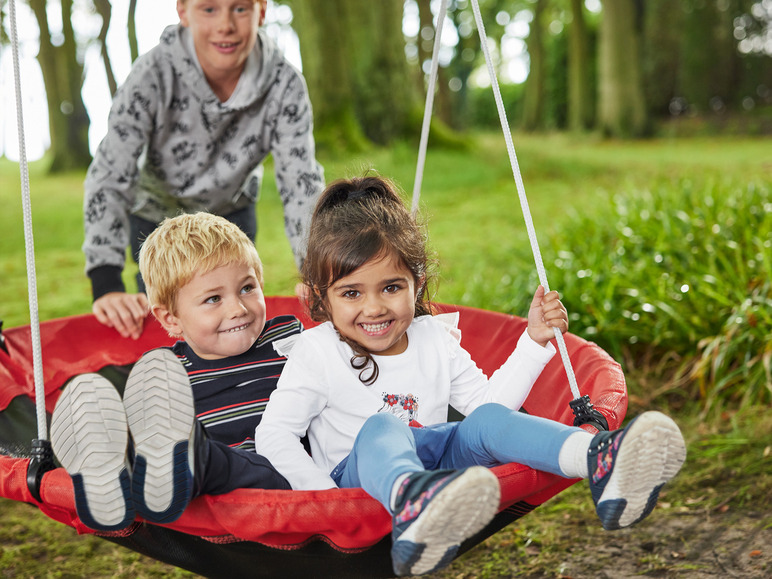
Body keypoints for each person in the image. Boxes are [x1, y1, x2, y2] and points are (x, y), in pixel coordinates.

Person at [255, 175, 687, 577]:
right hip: (361, 484)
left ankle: (599, 459)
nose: (374, 308)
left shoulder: (434, 339)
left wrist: (534, 342)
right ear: (321, 299)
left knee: (482, 422)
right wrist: (320, 499)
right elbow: (274, 434)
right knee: (385, 425)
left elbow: (488, 407)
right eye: (351, 293)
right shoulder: (318, 351)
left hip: (439, 470)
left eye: (391, 287)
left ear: (417, 284)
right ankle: (414, 502)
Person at [83, 0, 324, 340]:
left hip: (231, 217)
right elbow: (111, 172)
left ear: (262, 10)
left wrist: (317, 270)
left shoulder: (284, 84)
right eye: (209, 9)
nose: (225, 24)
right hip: (156, 222)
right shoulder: (151, 74)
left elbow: (301, 181)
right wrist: (105, 281)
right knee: (171, 329)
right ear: (183, 11)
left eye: (240, 9)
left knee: (232, 321)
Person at [51, 212, 300, 532]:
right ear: (171, 320)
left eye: (247, 288)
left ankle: (188, 460)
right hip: (212, 495)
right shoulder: (166, 373)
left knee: (206, 457)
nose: (238, 309)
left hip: (289, 476)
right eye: (213, 298)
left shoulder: (288, 338)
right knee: (163, 445)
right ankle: (112, 470)